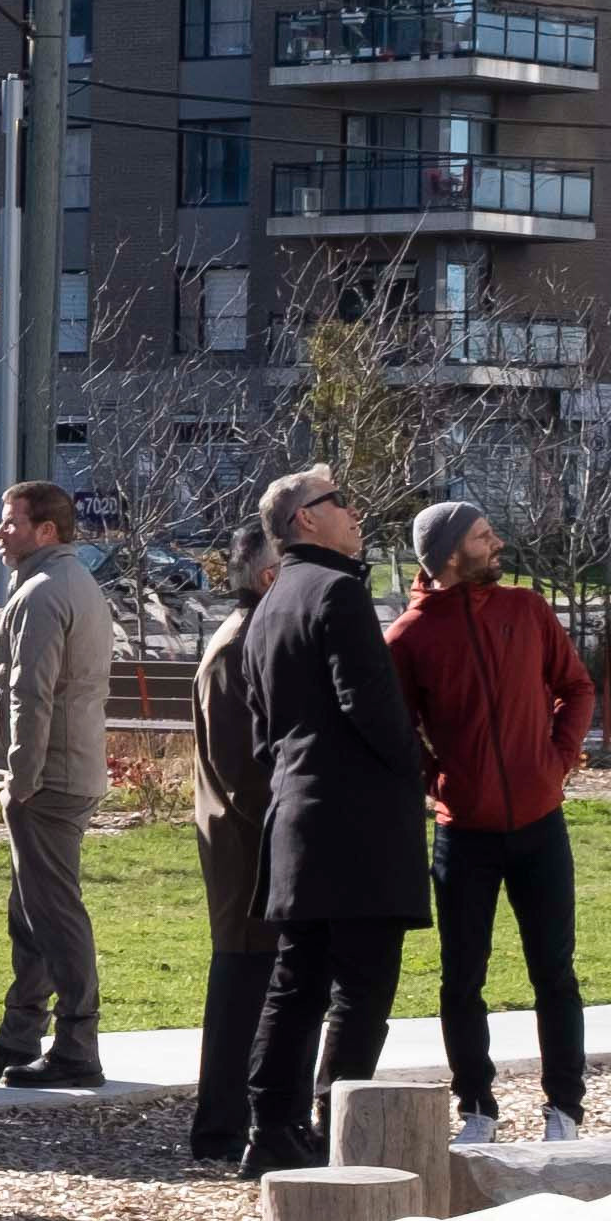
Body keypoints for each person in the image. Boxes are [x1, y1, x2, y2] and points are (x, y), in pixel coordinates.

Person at [226, 463, 435, 1176]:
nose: (353, 510)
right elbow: (371, 706)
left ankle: (271, 1128)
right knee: (363, 986)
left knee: (297, 982)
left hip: (295, 814)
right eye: (337, 501)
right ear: (303, 520)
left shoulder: (271, 601)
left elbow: (262, 729)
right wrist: (419, 769)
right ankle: (339, 1126)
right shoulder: (339, 593)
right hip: (359, 822)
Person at [388, 497, 598, 1141]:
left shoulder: (525, 610)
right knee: (461, 980)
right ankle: (476, 1108)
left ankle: (564, 1109)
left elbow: (577, 687)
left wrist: (557, 760)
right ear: (452, 553)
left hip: (541, 826)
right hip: (463, 835)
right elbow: (397, 731)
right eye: (484, 535)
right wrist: (439, 779)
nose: (497, 542)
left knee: (554, 973)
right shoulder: (408, 636)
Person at [0, 479, 114, 1090]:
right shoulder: (63, 583)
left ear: (45, 531)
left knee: (53, 912)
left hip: (46, 779)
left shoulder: (46, 592)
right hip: (52, 774)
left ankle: (78, 1046)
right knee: (29, 911)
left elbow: (33, 692)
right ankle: (19, 1037)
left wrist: (20, 777)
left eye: (10, 522)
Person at [187, 536, 277, 1171]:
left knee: (259, 987)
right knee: (242, 988)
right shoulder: (238, 649)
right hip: (247, 851)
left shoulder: (255, 639)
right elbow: (243, 771)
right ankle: (220, 1127)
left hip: (257, 845)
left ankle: (241, 1117)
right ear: (270, 575)